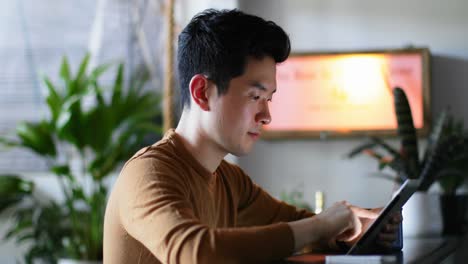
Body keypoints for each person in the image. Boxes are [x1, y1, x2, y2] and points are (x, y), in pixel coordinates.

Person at [103, 8, 402, 264]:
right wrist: (319, 226)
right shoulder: (148, 173)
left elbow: (298, 226)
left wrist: (361, 226)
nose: (266, 115)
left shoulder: (230, 181)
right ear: (202, 93)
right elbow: (194, 252)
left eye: (268, 98)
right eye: (254, 96)